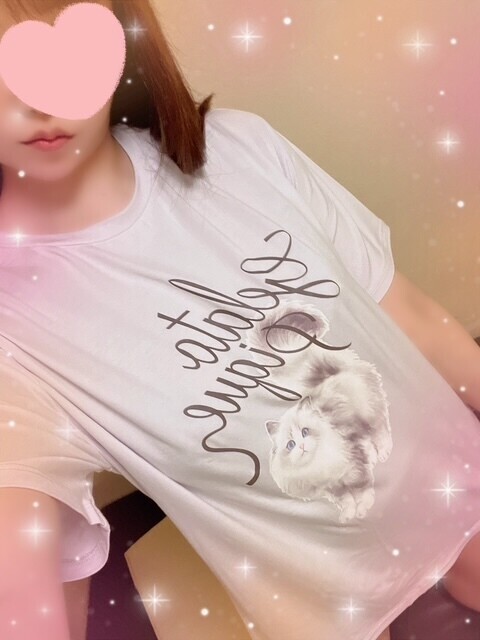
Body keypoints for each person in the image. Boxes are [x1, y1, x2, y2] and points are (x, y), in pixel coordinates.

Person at [0, 1, 479, 640]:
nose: (36, 101)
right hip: (331, 611)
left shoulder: (240, 148)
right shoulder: (14, 318)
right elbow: (21, 546)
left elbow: (409, 315)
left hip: (460, 494)